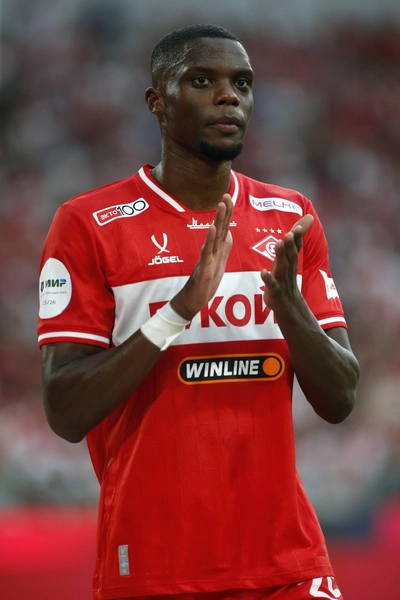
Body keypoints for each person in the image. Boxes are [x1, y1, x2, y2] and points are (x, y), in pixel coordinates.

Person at [38, 23, 360, 600]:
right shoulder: (89, 225)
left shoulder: (291, 218)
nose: (229, 96)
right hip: (156, 567)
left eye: (243, 83)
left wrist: (289, 307)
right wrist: (178, 310)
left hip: (287, 564)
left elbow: (340, 400)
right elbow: (64, 410)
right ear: (157, 102)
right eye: (203, 81)